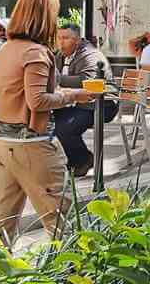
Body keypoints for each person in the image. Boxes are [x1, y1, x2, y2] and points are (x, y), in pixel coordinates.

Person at [0, 0, 95, 246]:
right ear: (44, 17)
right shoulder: (36, 53)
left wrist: (62, 91)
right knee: (63, 221)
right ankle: (70, 273)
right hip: (31, 144)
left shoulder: (6, 49)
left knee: (0, 221)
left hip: (1, 141)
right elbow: (37, 101)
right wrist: (75, 95)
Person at [51, 24, 119, 177]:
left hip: (101, 104)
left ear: (77, 40)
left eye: (65, 38)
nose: (61, 42)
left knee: (64, 127)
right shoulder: (60, 55)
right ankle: (71, 159)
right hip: (78, 102)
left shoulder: (90, 55)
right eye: (59, 38)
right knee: (48, 121)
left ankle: (83, 160)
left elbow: (87, 80)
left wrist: (56, 79)